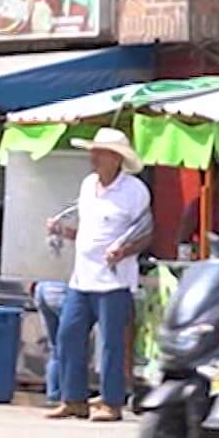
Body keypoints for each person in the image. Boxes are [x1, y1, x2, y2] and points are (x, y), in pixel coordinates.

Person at [45, 127, 152, 422]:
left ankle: (112, 402)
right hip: (82, 278)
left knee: (112, 344)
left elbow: (145, 232)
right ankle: (73, 399)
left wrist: (124, 251)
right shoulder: (87, 185)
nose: (93, 157)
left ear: (117, 158)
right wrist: (63, 232)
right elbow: (88, 232)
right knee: (68, 336)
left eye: (100, 152)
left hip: (114, 281)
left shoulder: (135, 191)